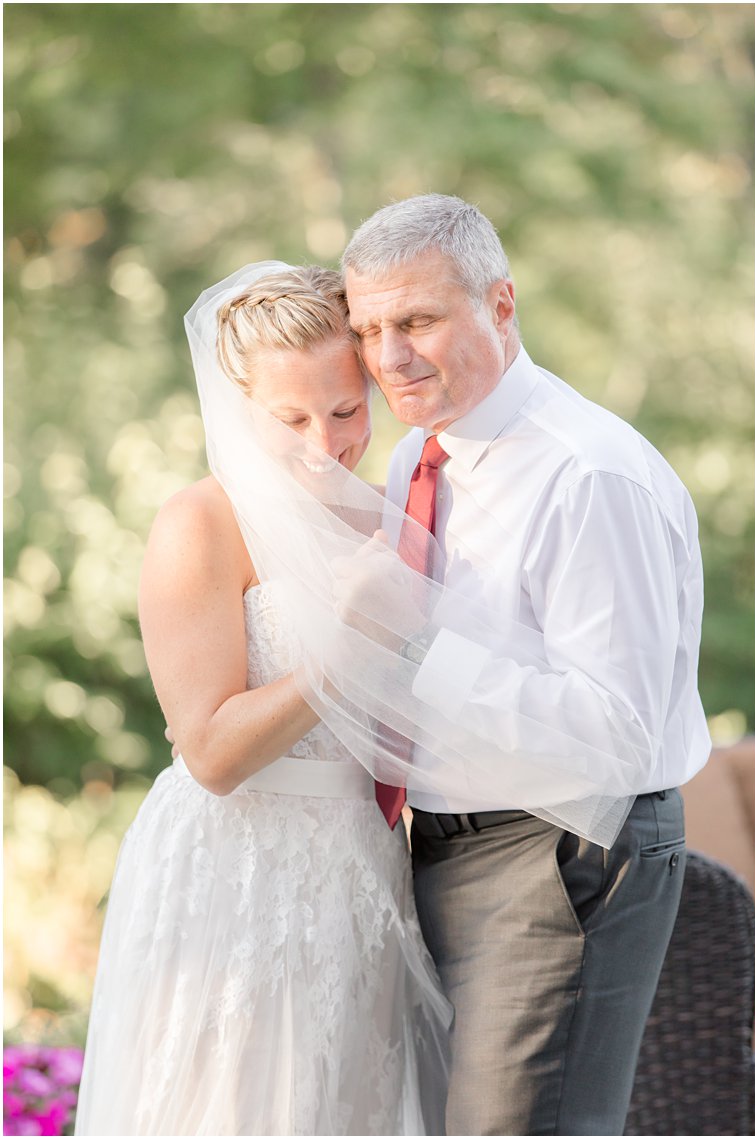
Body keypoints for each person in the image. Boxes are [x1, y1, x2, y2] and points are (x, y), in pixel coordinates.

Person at [334, 194, 710, 1135]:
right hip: (437, 845)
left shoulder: (589, 475)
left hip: (560, 845)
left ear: (501, 306)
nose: (389, 357)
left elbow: (615, 738)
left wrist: (416, 646)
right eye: (369, 329)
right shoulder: (419, 454)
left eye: (417, 320)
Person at [74, 264, 450, 1135]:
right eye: (291, 420)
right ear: (238, 406)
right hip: (237, 871)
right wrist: (350, 649)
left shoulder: (391, 511)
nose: (327, 444)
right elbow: (210, 752)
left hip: (362, 865)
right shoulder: (200, 523)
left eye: (348, 410)